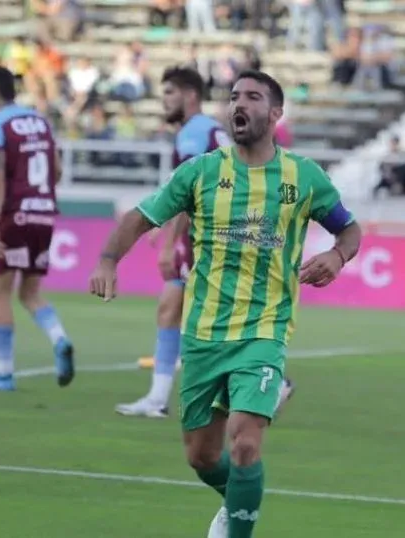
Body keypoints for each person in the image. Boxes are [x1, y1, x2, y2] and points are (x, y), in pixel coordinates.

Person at [89, 70, 362, 538]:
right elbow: (140, 216)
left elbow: (350, 229)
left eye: (253, 97)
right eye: (234, 96)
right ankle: (238, 504)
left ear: (275, 113)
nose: (240, 103)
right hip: (203, 333)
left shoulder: (304, 177)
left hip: (264, 329)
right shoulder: (201, 172)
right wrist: (109, 259)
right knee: (201, 456)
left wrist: (337, 256)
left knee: (245, 445)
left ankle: (238, 526)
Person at [115, 66, 295, 419]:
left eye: (170, 93)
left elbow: (193, 190)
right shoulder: (207, 131)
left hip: (216, 232)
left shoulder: (194, 133)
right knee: (177, 308)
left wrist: (168, 241)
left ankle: (270, 383)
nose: (164, 100)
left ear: (190, 96)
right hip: (232, 227)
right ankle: (159, 397)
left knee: (196, 314)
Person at [0, 65, 75, 392]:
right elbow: (56, 169)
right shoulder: (41, 122)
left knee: (0, 291)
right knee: (30, 292)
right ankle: (59, 339)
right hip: (44, 214)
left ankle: (3, 374)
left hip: (13, 215)